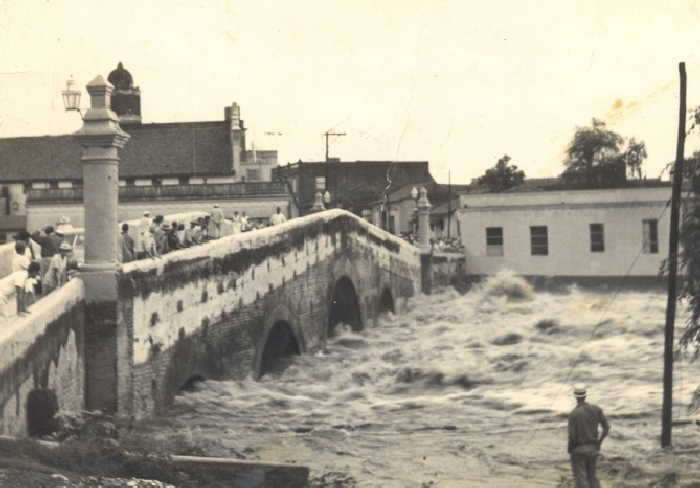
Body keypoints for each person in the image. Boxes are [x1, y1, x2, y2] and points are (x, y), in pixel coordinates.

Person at [568, 383, 609, 488]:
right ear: (585, 395)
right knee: (592, 477)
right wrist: (599, 443)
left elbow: (572, 437)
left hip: (579, 450)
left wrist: (570, 450)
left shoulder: (574, 414)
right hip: (593, 448)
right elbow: (606, 428)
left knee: (581, 480)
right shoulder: (596, 409)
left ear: (575, 396)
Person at [12, 241, 30, 315]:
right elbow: (29, 267)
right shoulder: (23, 258)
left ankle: (21, 309)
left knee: (20, 294)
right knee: (22, 294)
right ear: (24, 249)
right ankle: (21, 310)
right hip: (22, 277)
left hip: (16, 277)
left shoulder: (15, 258)